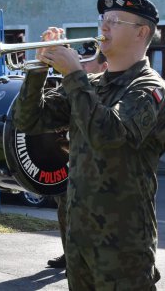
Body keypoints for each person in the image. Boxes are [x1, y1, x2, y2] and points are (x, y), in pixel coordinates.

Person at [14, 0, 165, 290]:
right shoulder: (90, 85)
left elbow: (109, 136)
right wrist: (38, 68)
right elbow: (29, 121)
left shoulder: (150, 88)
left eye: (114, 20)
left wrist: (74, 73)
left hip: (123, 241)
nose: (103, 27)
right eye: (103, 18)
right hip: (80, 236)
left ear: (142, 32)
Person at [47, 42, 108, 270]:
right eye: (78, 60)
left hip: (97, 171)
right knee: (65, 209)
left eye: (86, 61)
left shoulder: (103, 92)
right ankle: (68, 252)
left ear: (103, 67)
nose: (80, 65)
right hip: (72, 161)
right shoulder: (74, 89)